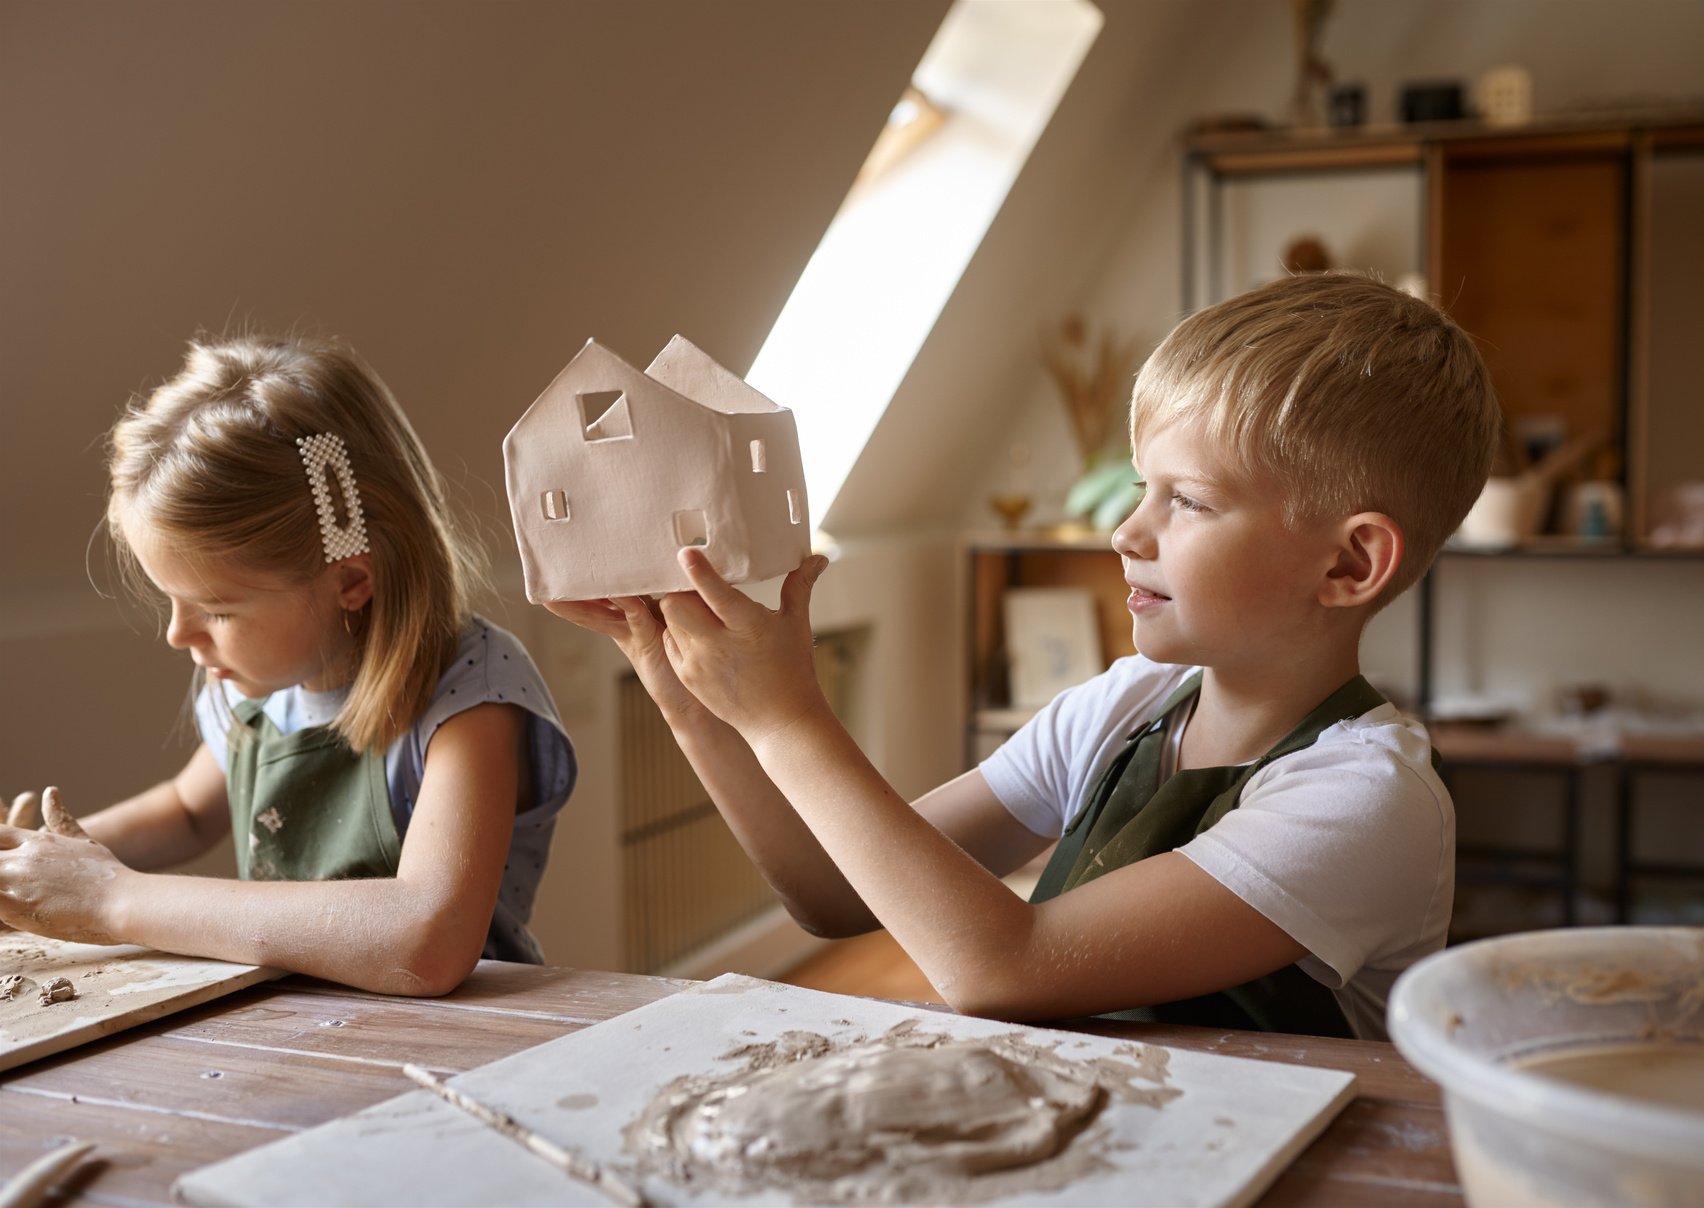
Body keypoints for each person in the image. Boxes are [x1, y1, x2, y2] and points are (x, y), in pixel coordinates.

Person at [551, 272, 1498, 1038]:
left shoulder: (1363, 798)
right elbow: (831, 892)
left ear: (1348, 562)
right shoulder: (1126, 706)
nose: (1127, 533)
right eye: (1141, 489)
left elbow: (1005, 967)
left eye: (1191, 501)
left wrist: (789, 715)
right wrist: (679, 680)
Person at [0, 335, 576, 996]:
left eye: (214, 609)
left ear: (350, 580)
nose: (176, 633)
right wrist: (42, 868)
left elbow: (427, 940)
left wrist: (112, 900)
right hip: (296, 1036)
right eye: (172, 602)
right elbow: (188, 812)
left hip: (466, 1050)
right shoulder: (258, 690)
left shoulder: (472, 697)